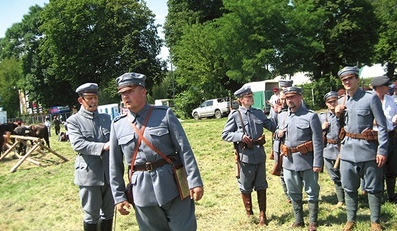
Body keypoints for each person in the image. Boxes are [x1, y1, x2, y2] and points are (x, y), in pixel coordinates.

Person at [109, 72, 204, 231]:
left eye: (130, 91)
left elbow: (184, 149)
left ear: (143, 92)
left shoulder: (164, 114)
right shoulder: (118, 125)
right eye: (122, 93)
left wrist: (194, 181)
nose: (126, 96)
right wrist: (119, 197)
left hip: (174, 185)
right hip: (142, 192)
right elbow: (114, 165)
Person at [335, 67, 388, 231]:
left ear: (357, 79)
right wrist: (337, 115)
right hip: (347, 152)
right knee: (349, 187)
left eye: (350, 78)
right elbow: (339, 129)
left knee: (373, 188)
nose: (347, 82)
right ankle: (351, 220)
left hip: (367, 150)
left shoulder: (370, 98)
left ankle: (375, 222)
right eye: (344, 80)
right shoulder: (342, 101)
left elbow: (382, 126)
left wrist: (382, 150)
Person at [222, 86, 276, 226]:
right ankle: (249, 212)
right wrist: (239, 136)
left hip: (259, 154)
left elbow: (271, 125)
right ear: (241, 100)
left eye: (251, 96)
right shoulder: (235, 115)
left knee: (261, 185)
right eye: (248, 97)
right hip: (245, 156)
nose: (251, 98)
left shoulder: (258, 113)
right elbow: (225, 134)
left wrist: (276, 111)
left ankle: (262, 215)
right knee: (245, 186)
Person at [67, 83, 114, 231]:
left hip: (109, 174)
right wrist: (103, 146)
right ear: (81, 100)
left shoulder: (107, 118)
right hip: (89, 176)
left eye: (95, 97)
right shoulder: (74, 121)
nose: (93, 101)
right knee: (91, 215)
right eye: (89, 98)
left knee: (108, 213)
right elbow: (78, 144)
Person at [276, 86, 323, 231]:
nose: (289, 100)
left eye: (293, 97)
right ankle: (298, 220)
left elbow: (318, 141)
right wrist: (278, 133)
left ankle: (313, 222)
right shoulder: (282, 116)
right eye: (287, 97)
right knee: (293, 192)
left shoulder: (310, 116)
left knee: (311, 191)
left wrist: (318, 162)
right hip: (289, 160)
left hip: (307, 160)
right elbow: (277, 134)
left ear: (300, 97)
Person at [370, 76, 397, 203]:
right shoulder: (368, 100)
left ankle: (391, 196)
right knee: (377, 168)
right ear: (380, 87)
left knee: (391, 167)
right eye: (387, 86)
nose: (389, 88)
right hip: (374, 138)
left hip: (390, 136)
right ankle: (378, 197)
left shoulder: (390, 100)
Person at [319, 91, 344, 208]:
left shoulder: (344, 114)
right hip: (328, 150)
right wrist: (322, 128)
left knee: (345, 175)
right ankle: (341, 199)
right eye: (330, 102)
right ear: (326, 103)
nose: (332, 104)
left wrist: (340, 116)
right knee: (335, 176)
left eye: (334, 101)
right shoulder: (322, 117)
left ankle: (350, 197)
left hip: (342, 149)